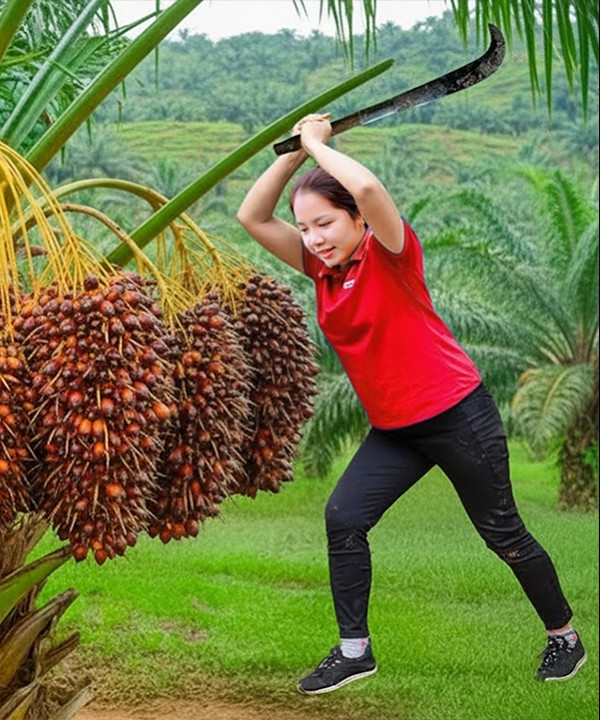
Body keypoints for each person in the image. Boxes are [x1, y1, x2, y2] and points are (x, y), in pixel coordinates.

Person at [236, 113, 586, 695]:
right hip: (396, 430)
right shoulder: (320, 270)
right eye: (305, 227)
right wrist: (294, 153)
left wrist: (321, 146)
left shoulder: (391, 254)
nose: (314, 236)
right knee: (344, 518)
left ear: (355, 220)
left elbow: (370, 189)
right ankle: (355, 652)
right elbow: (251, 216)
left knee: (503, 533)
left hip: (456, 415)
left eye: (325, 222)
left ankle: (565, 638)